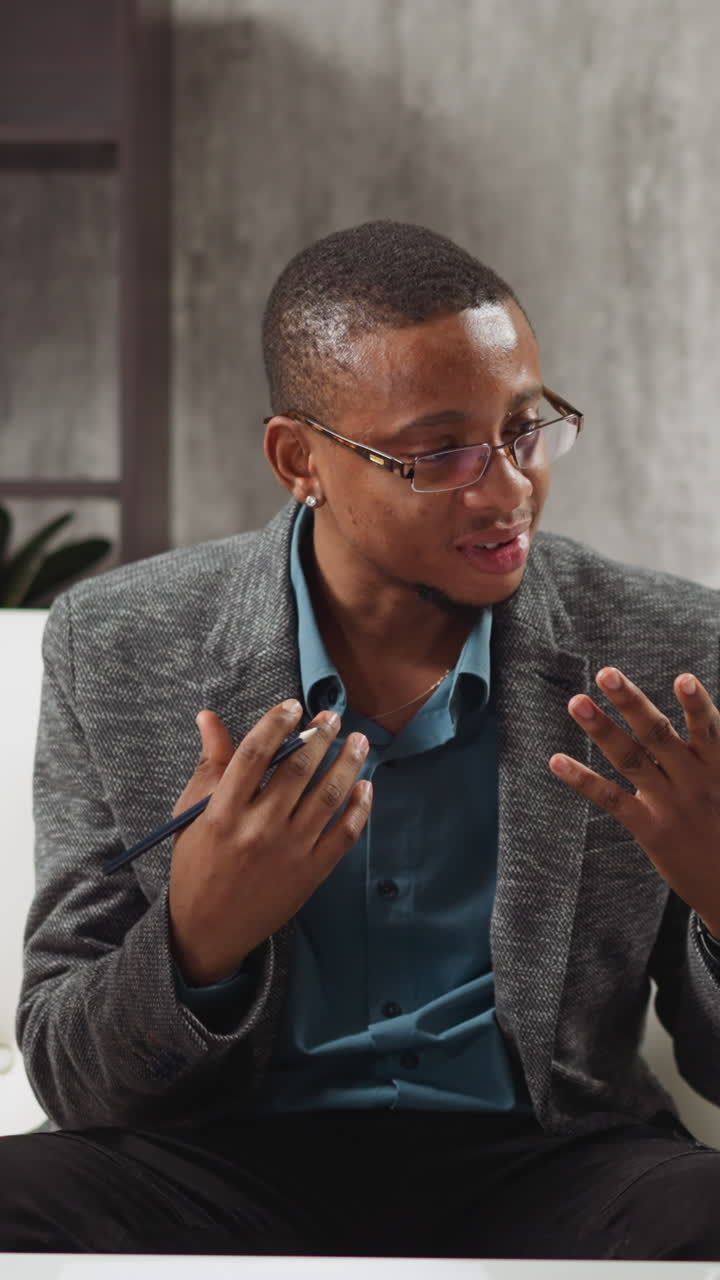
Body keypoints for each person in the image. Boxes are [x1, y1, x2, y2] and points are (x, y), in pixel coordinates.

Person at [1, 220, 720, 1259]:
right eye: (441, 453)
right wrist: (198, 937)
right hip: (219, 1158)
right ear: (302, 459)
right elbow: (73, 1076)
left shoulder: (669, 648)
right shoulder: (120, 643)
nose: (508, 486)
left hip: (555, 1157)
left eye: (526, 427)